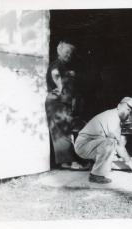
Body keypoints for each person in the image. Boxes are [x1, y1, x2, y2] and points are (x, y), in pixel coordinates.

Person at [74, 97, 132, 184]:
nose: (128, 113)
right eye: (127, 109)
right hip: (83, 146)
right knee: (111, 143)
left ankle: (95, 166)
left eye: (131, 112)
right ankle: (96, 175)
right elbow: (118, 145)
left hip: (91, 144)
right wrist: (130, 162)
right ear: (118, 106)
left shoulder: (115, 115)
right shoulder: (113, 118)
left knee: (118, 141)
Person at [45, 40, 89, 170]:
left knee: (66, 130)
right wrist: (60, 87)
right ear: (59, 51)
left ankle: (69, 160)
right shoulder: (57, 64)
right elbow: (55, 74)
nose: (69, 55)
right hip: (57, 102)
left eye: (71, 53)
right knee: (62, 131)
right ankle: (67, 162)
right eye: (66, 52)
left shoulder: (65, 67)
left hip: (64, 102)